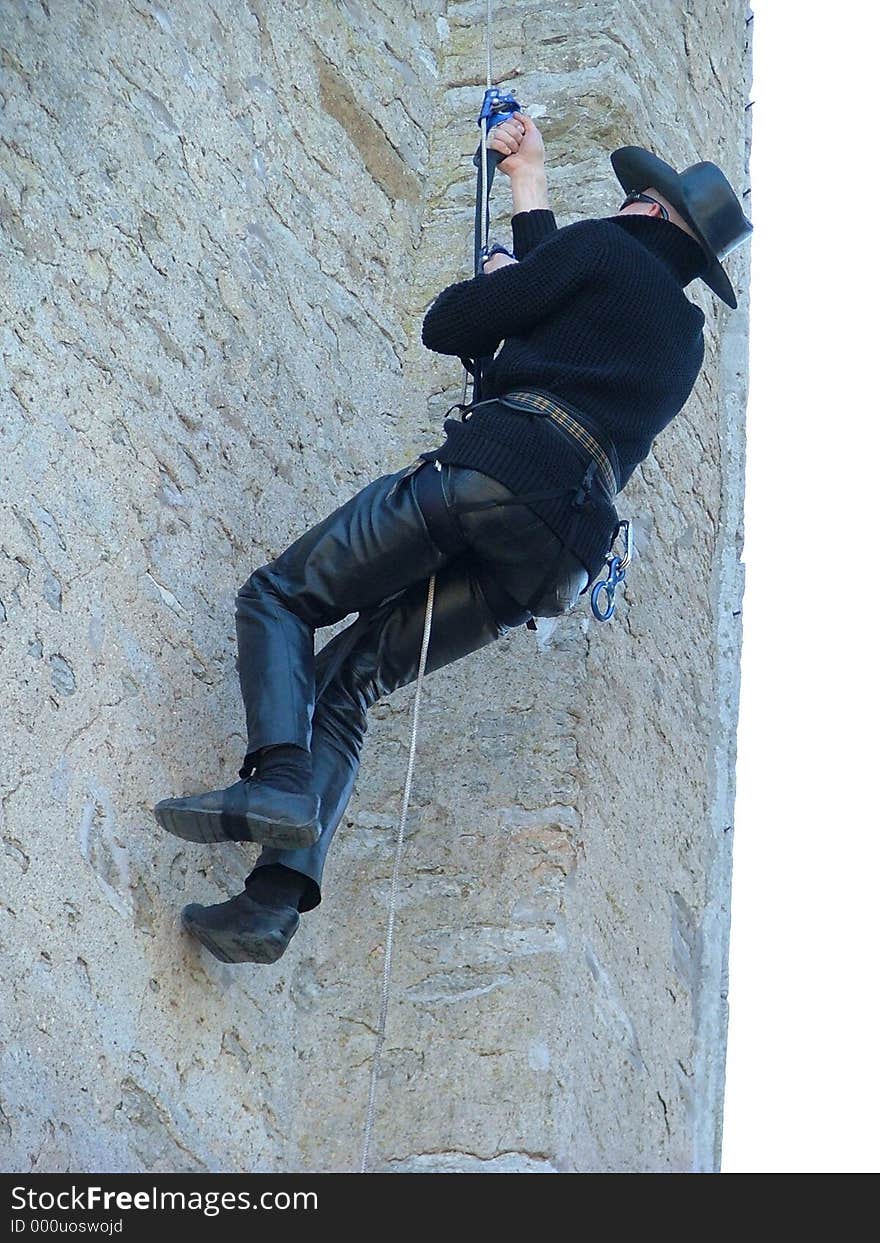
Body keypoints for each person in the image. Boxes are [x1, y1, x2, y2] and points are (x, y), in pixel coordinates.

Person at [153, 112, 752, 964]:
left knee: (282, 594)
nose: (620, 207)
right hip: (560, 554)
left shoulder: (603, 248)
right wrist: (527, 185)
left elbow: (456, 325)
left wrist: (502, 277)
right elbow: (562, 306)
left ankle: (280, 779)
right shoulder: (684, 341)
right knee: (350, 688)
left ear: (652, 214)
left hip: (493, 475)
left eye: (631, 199)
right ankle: (270, 905)